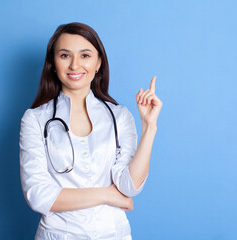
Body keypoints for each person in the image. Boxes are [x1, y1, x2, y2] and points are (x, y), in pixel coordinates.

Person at [19, 22, 162, 240]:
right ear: (53, 64)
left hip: (114, 234)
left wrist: (149, 127)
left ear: (98, 63)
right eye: (65, 55)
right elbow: (38, 196)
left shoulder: (119, 116)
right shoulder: (35, 120)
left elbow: (129, 186)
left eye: (85, 55)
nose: (75, 65)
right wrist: (108, 195)